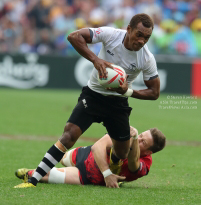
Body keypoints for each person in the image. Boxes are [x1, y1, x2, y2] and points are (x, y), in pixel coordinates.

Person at [14, 13, 160, 188]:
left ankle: (112, 167)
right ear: (128, 29)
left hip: (118, 103)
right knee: (68, 135)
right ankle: (33, 180)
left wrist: (127, 91)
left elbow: (154, 92)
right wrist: (96, 60)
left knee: (121, 153)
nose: (142, 41)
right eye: (139, 35)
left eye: (147, 37)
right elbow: (74, 36)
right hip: (93, 96)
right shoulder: (111, 35)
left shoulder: (146, 58)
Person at [14, 127, 166, 188]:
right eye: (140, 136)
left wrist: (132, 141)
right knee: (62, 157)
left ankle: (31, 173)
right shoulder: (126, 135)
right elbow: (97, 146)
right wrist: (107, 173)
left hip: (88, 175)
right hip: (86, 154)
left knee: (43, 175)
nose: (138, 139)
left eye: (143, 142)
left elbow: (133, 163)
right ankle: (65, 167)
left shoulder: (144, 165)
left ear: (149, 152)